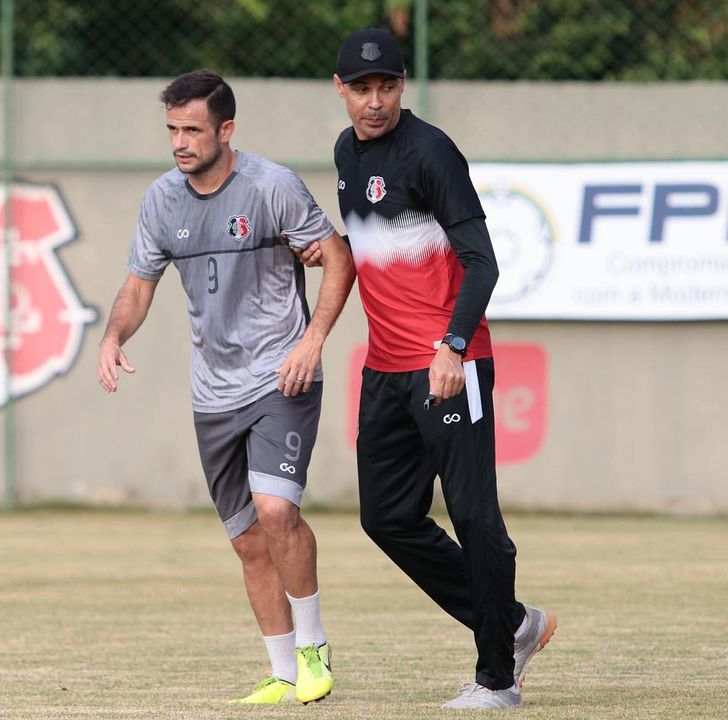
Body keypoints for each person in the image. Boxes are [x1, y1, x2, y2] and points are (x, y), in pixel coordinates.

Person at [97, 70, 355, 704]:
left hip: (280, 374)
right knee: (246, 538)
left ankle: (314, 647)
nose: (180, 143)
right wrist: (112, 338)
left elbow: (338, 257)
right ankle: (281, 671)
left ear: (226, 130)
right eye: (172, 130)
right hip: (212, 391)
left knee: (275, 511)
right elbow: (137, 288)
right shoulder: (162, 199)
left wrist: (312, 341)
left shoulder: (272, 186)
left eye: (193, 130)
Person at [319, 27, 556, 709]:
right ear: (340, 90)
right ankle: (511, 623)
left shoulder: (431, 152)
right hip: (385, 367)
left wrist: (451, 346)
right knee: (386, 516)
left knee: (475, 517)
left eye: (386, 86)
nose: (374, 101)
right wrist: (327, 249)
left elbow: (483, 261)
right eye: (361, 88)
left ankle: (497, 679)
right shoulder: (344, 151)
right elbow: (375, 239)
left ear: (402, 85)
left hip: (450, 362)